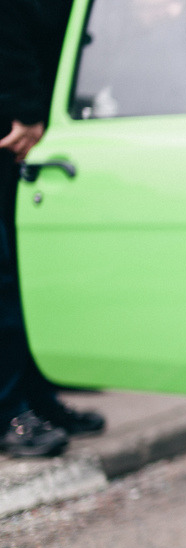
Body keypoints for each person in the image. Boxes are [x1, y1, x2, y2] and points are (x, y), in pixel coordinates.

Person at [1, 0, 104, 458]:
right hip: (14, 124)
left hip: (31, 121)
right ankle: (7, 412)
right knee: (5, 277)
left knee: (27, 274)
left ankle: (35, 397)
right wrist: (24, 107)